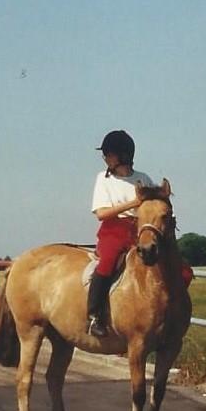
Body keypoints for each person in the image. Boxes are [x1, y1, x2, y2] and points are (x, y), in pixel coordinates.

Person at [87, 130, 155, 337]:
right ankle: (94, 316)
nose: (105, 158)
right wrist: (133, 203)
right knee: (107, 261)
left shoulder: (143, 179)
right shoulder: (103, 179)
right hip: (113, 229)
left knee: (176, 265)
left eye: (108, 153)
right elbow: (101, 214)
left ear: (123, 155)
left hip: (141, 228)